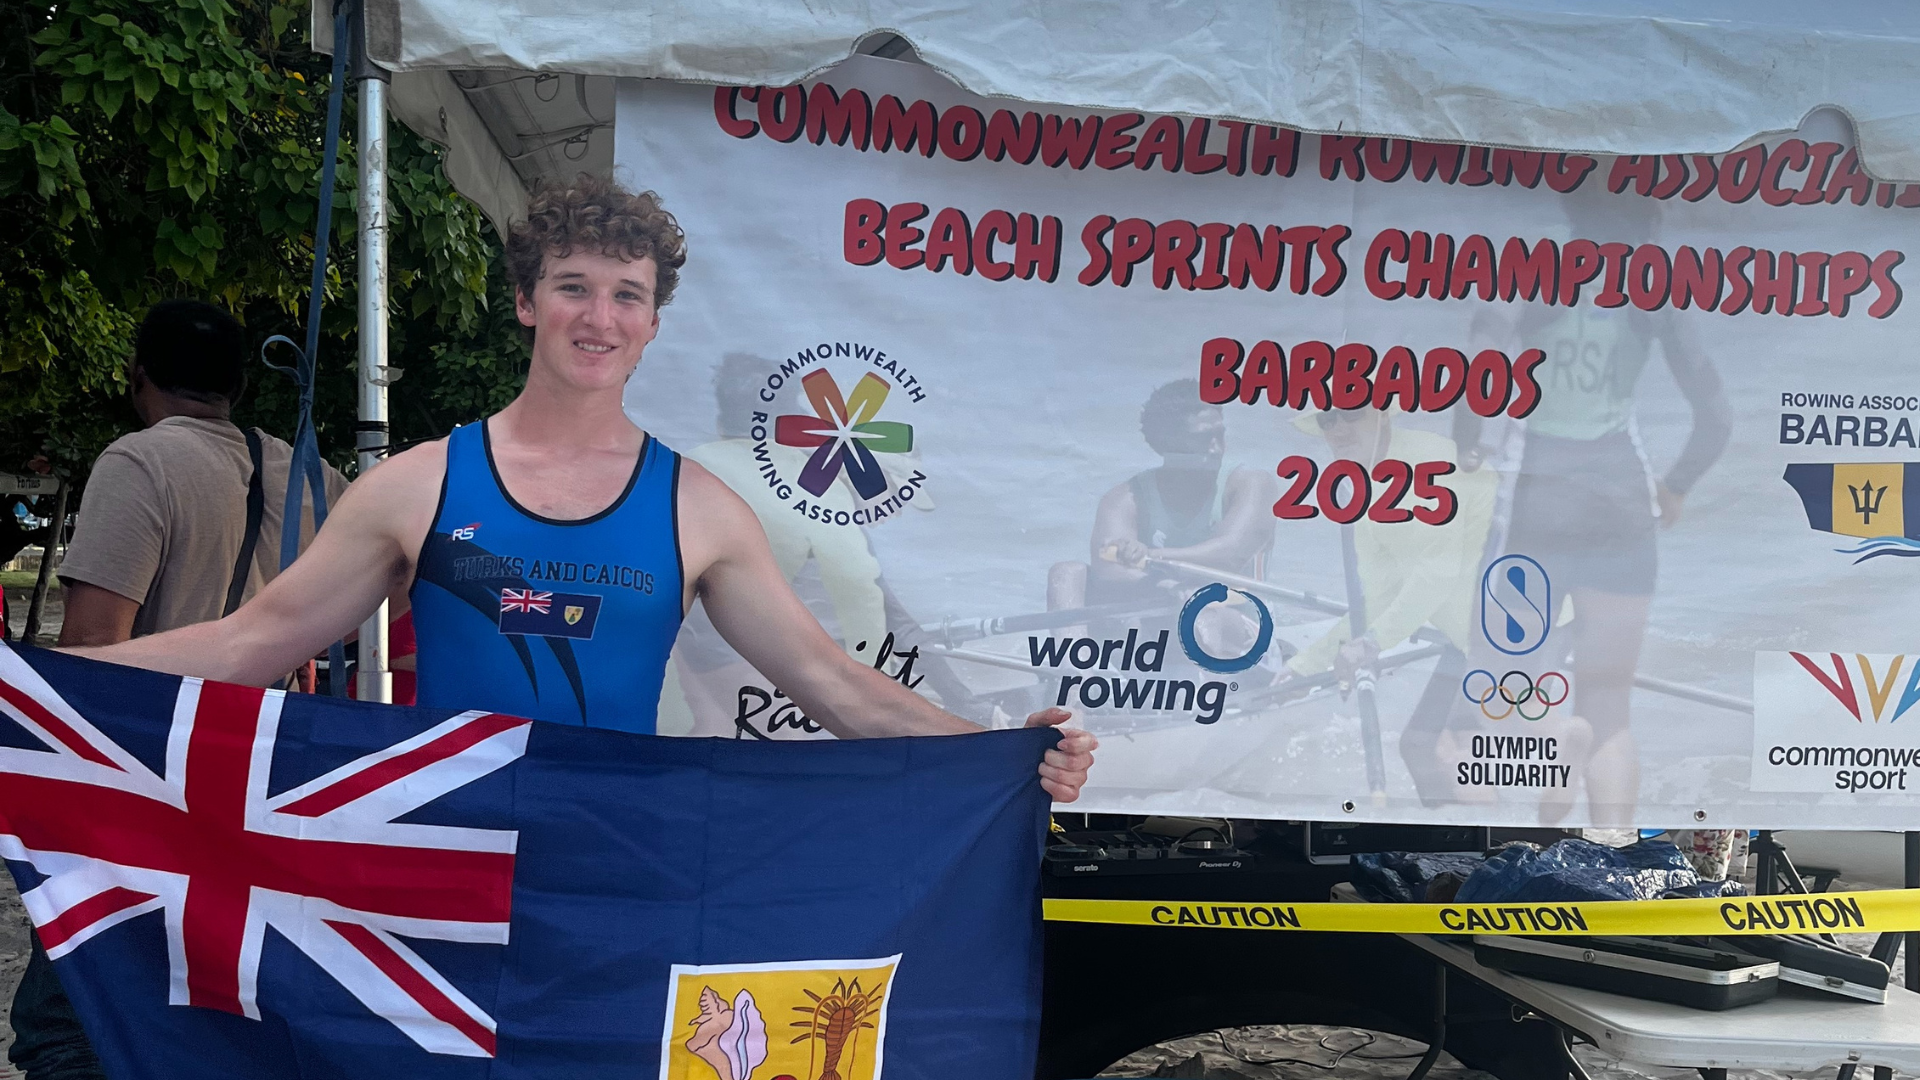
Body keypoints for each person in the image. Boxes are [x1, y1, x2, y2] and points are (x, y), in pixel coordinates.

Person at [65, 175, 1096, 804]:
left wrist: (999, 750)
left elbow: (829, 684)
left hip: (611, 858)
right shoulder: (418, 485)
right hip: (441, 860)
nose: (597, 317)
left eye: (626, 295)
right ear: (525, 300)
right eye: (573, 287)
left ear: (653, 322)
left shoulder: (696, 509)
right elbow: (251, 643)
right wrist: (43, 686)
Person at [11, 300, 347, 1080]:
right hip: (266, 779)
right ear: (236, 384)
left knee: (75, 1015)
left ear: (138, 379)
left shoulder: (143, 462)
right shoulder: (312, 477)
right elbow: (380, 612)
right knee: (214, 1005)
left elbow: (94, 646)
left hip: (139, 778)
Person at [1453, 197, 1732, 824]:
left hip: (1534, 502)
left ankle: (1530, 791)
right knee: (1611, 705)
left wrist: (1468, 446)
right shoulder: (1656, 294)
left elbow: (1478, 380)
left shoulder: (1525, 278)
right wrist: (1677, 486)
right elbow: (1716, 418)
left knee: (1500, 688)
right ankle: (1612, 850)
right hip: (1623, 500)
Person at [1280, 407, 1496, 805]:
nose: (1339, 429)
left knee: (1456, 753)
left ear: (1382, 416)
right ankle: (1439, 855)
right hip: (1462, 634)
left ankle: (1495, 851)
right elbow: (1377, 598)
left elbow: (1438, 574)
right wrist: (1306, 665)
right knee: (1418, 746)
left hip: (1510, 626)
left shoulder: (1431, 464)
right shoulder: (1365, 488)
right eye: (1327, 420)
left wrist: (1371, 644)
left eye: (1351, 414)